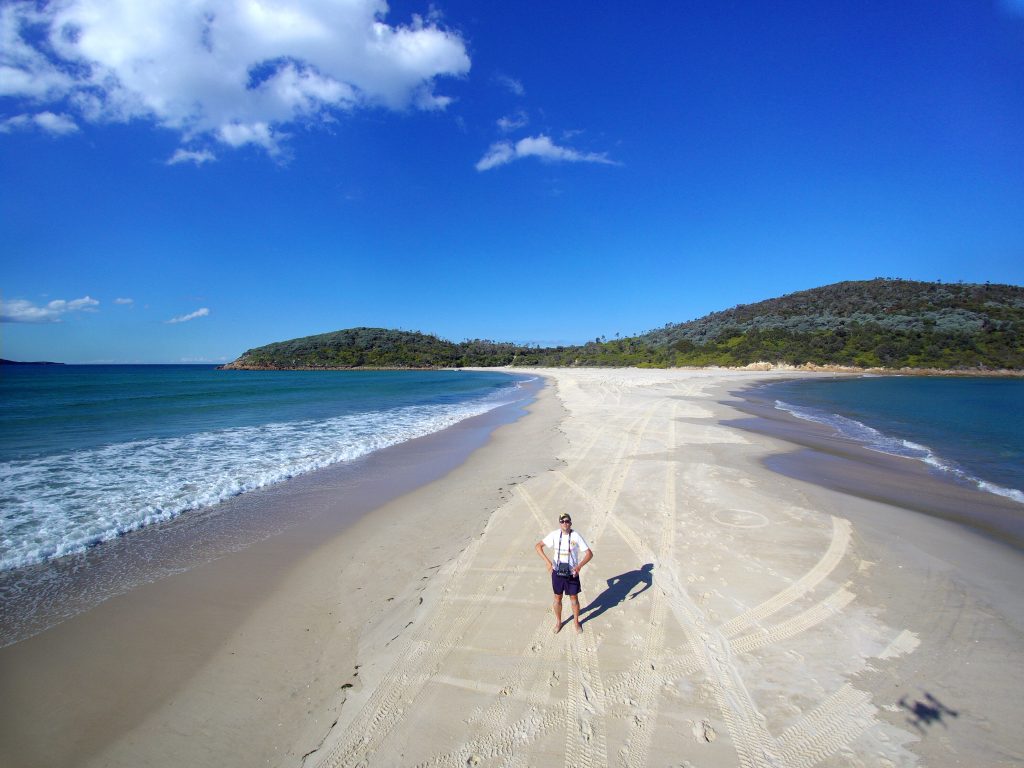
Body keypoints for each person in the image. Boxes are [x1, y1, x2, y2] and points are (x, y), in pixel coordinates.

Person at [535, 513, 593, 633]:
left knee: (574, 599)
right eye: (562, 521)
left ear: (570, 523)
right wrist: (548, 562)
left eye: (567, 521)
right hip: (557, 572)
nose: (564, 523)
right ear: (559, 523)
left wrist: (579, 567)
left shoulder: (576, 536)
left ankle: (576, 622)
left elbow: (589, 553)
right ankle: (558, 622)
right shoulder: (555, 535)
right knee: (557, 598)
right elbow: (538, 546)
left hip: (572, 573)